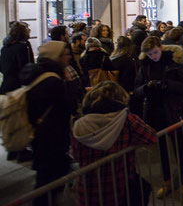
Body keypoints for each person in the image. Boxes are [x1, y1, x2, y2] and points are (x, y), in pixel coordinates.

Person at [72, 81, 157, 206]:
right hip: (119, 186)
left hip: (88, 188)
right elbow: (151, 137)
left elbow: (76, 155)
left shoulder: (79, 124)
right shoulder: (126, 119)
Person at [134, 36, 183, 202]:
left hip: (174, 111)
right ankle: (167, 181)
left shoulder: (173, 62)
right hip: (155, 112)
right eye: (150, 54)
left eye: (155, 52)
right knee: (162, 151)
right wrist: (147, 87)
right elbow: (137, 89)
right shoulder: (144, 66)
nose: (153, 56)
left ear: (161, 48)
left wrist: (167, 85)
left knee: (179, 149)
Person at [19, 41, 79, 205]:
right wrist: (70, 84)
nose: (68, 58)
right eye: (64, 55)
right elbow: (68, 106)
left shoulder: (37, 74)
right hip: (51, 137)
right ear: (56, 57)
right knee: (48, 180)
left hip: (41, 136)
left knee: (46, 178)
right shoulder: (52, 80)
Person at [0, 22, 35, 161]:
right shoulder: (24, 46)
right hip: (19, 88)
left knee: (10, 120)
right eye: (27, 29)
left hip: (6, 87)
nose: (30, 30)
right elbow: (27, 67)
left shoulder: (5, 47)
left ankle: (12, 150)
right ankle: (22, 150)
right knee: (22, 120)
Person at [0, 22, 34, 95]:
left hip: (5, 85)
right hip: (18, 88)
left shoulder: (4, 48)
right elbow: (25, 67)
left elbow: (1, 67)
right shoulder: (22, 47)